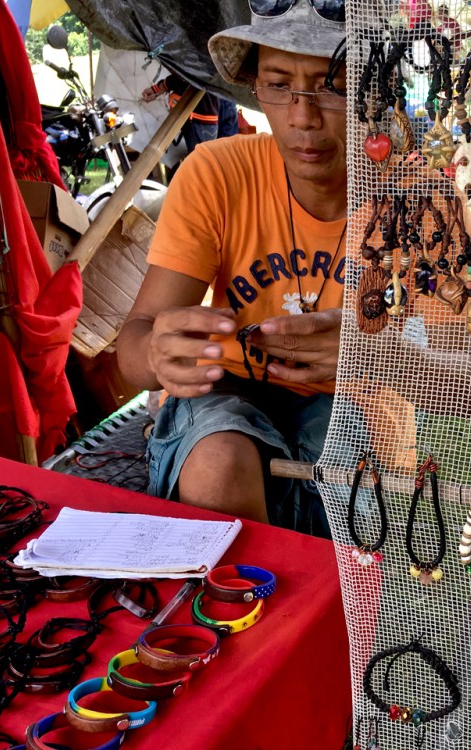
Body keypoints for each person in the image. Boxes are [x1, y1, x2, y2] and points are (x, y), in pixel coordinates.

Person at [116, 2, 349, 534]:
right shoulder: (217, 173)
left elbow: (464, 380)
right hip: (234, 392)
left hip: (356, 403)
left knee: (341, 479)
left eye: (331, 86)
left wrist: (369, 355)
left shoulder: (416, 196)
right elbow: (131, 351)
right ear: (254, 86)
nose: (302, 116)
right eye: (278, 84)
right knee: (218, 462)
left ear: (372, 88)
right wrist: (158, 355)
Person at [141, 72, 239, 156]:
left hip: (200, 113)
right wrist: (159, 88)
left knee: (204, 165)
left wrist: (161, 87)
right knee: (225, 158)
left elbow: (187, 72)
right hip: (225, 96)